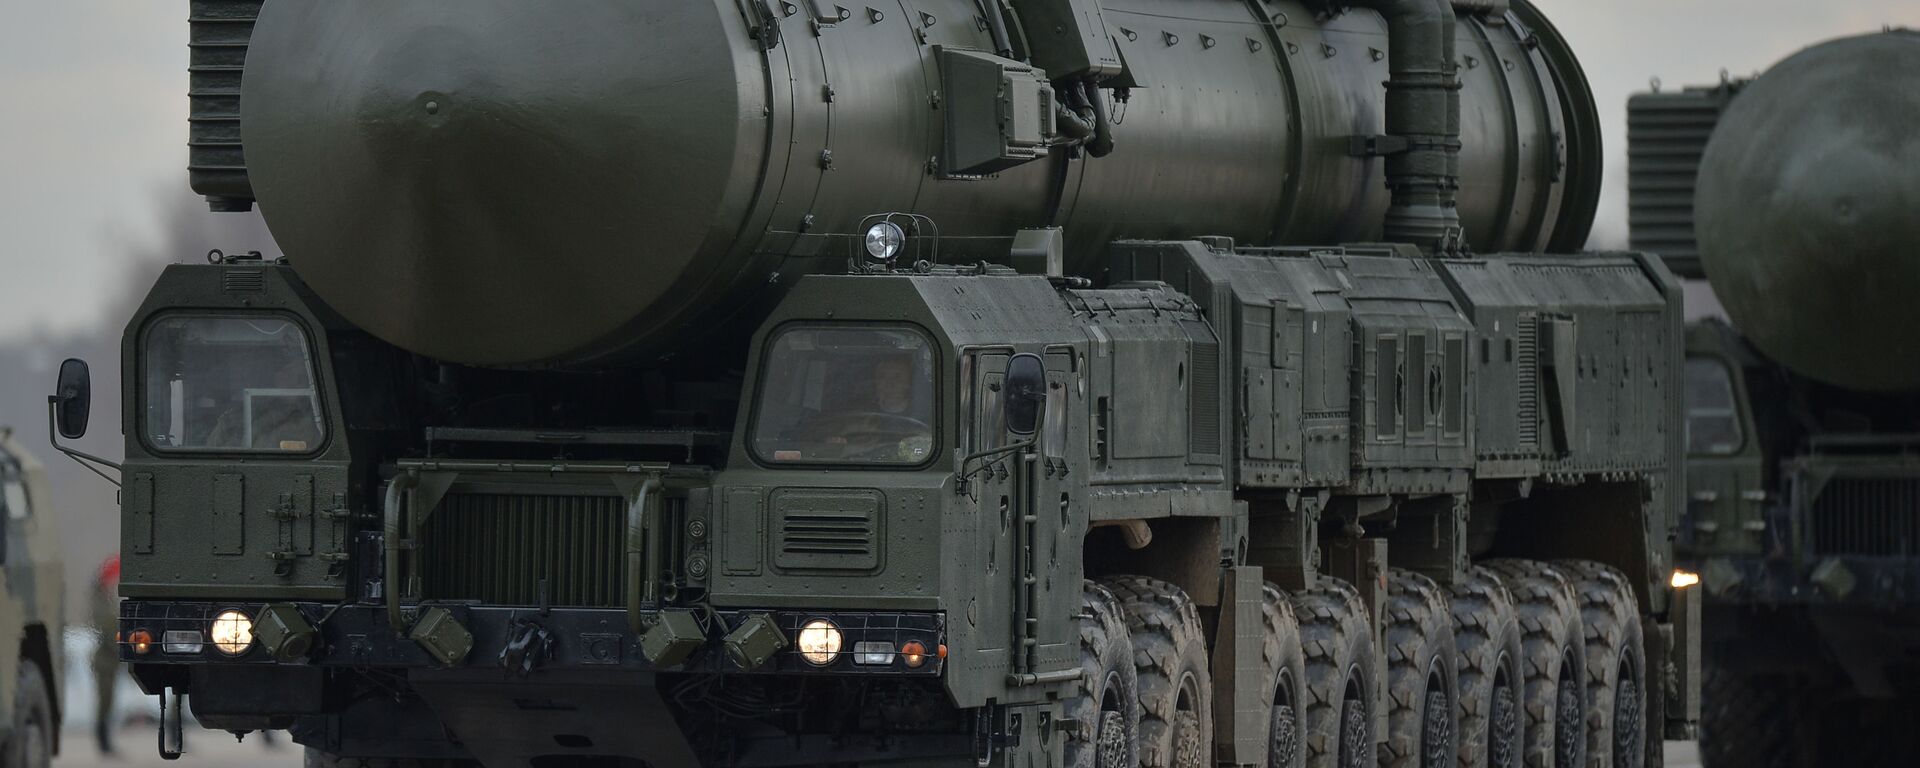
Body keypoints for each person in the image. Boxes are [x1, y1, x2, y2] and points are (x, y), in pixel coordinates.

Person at [91, 554, 120, 755]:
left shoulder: (106, 602)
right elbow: (106, 627)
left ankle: (105, 741)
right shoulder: (101, 604)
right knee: (105, 700)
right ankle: (103, 741)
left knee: (108, 700)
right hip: (105, 660)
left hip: (110, 660)